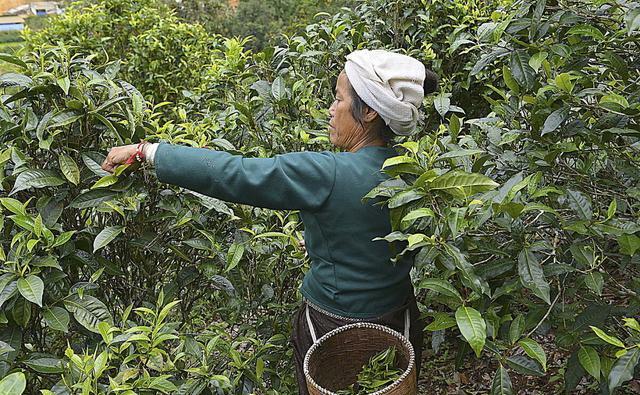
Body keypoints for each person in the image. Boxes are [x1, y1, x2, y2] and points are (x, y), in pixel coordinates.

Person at [102, 49, 438, 394]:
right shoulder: (414, 172)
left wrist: (149, 151)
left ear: (368, 111)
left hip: (330, 325)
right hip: (400, 321)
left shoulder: (327, 173)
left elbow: (234, 173)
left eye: (338, 99)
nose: (331, 109)